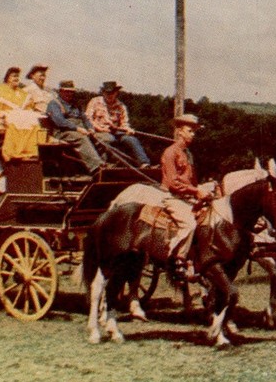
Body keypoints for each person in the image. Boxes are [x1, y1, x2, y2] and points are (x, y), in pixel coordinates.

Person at [161, 114, 212, 280]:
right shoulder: (170, 153)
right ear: (180, 132)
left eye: (194, 131)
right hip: (173, 197)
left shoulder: (188, 154)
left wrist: (202, 192)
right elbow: (173, 183)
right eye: (190, 131)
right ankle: (178, 259)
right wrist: (196, 192)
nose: (193, 134)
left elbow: (193, 180)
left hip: (188, 197)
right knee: (189, 224)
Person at [0, 67, 47, 161]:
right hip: (4, 116)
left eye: (18, 76)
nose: (16, 78)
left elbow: (28, 106)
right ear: (7, 78)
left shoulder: (21, 92)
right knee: (14, 123)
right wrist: (0, 113)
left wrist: (27, 110)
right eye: (14, 76)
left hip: (20, 115)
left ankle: (30, 152)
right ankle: (14, 153)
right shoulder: (0, 88)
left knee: (33, 122)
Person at [85, 81, 150, 166]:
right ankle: (105, 165)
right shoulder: (94, 102)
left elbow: (124, 123)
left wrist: (127, 129)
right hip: (99, 132)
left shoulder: (121, 106)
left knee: (132, 139)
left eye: (112, 93)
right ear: (103, 92)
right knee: (108, 139)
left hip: (116, 132)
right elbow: (87, 119)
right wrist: (99, 128)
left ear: (116, 93)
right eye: (107, 93)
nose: (109, 95)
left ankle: (144, 163)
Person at [45, 80, 104, 174]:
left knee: (102, 138)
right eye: (67, 91)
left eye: (71, 92)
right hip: (62, 132)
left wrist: (90, 128)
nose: (69, 94)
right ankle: (97, 168)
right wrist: (77, 128)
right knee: (81, 138)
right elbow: (60, 121)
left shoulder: (76, 105)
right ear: (61, 91)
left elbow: (85, 119)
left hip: (80, 130)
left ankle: (105, 164)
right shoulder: (54, 104)